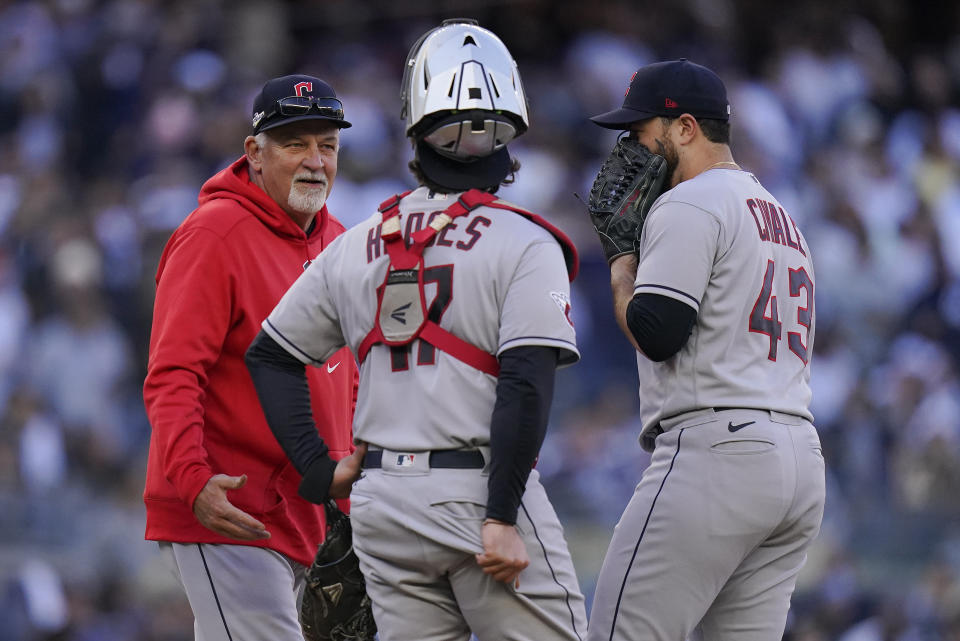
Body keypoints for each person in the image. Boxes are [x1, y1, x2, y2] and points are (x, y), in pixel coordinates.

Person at [246, 19, 587, 641]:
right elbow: (525, 385)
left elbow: (270, 355)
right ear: (509, 135)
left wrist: (318, 471)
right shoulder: (527, 240)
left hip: (383, 504)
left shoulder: (355, 244)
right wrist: (502, 515)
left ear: (416, 128)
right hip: (477, 494)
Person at [585, 59, 826, 641]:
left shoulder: (690, 201)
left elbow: (657, 330)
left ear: (685, 128)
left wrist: (621, 259)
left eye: (642, 133)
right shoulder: (783, 217)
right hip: (797, 459)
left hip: (720, 452)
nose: (630, 150)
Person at [142, 74, 363, 641]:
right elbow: (173, 375)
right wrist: (193, 478)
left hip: (310, 513)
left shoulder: (339, 241)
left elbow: (351, 377)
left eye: (328, 145)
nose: (315, 160)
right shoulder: (214, 234)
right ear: (254, 153)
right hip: (229, 507)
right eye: (296, 144)